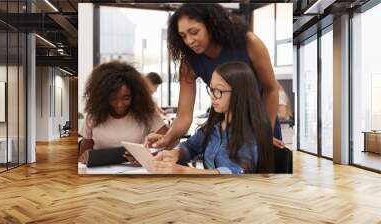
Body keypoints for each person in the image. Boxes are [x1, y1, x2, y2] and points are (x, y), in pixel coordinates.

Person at [146, 3, 285, 150]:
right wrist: (167, 137)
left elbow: (271, 90)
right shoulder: (189, 63)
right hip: (226, 126)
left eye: (194, 32)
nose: (189, 41)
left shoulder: (250, 43)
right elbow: (184, 117)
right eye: (183, 36)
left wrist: (265, 133)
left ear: (211, 25)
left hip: (261, 121)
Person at [150, 62, 274, 174]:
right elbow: (190, 146)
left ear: (239, 93)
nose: (213, 96)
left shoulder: (252, 133)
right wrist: (175, 153)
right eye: (211, 89)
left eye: (219, 90)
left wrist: (182, 170)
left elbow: (234, 172)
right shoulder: (215, 126)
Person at [79, 61, 168, 164]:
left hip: (136, 172)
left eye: (126, 98)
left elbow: (171, 140)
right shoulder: (94, 115)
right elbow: (83, 155)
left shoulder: (146, 112)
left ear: (135, 95)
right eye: (113, 98)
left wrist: (151, 156)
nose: (119, 104)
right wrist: (84, 157)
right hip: (101, 171)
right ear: (103, 97)